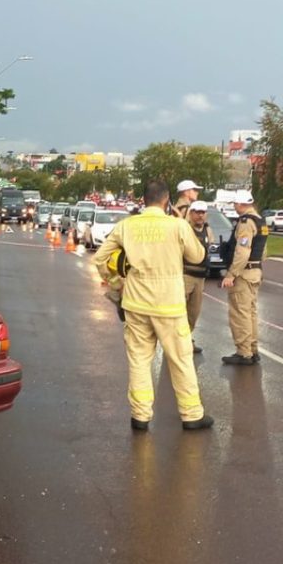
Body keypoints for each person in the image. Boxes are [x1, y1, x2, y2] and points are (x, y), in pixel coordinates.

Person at [94, 180, 213, 431]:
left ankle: (140, 416)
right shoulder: (178, 225)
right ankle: (191, 415)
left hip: (136, 303)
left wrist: (117, 283)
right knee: (180, 360)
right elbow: (198, 256)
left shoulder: (126, 226)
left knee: (138, 360)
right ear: (166, 200)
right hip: (169, 304)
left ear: (144, 200)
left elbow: (100, 258)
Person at [220, 192, 268, 365]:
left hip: (244, 274)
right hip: (255, 272)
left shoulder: (246, 223)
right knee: (251, 313)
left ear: (240, 204)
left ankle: (243, 352)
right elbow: (263, 251)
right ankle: (253, 349)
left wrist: (231, 274)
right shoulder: (260, 221)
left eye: (235, 203)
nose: (234, 206)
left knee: (240, 313)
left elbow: (242, 251)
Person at [182, 200, 214, 353]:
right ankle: (179, 343)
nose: (200, 215)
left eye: (203, 212)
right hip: (185, 275)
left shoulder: (208, 230)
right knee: (180, 311)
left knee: (193, 313)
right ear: (191, 213)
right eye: (197, 212)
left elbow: (210, 248)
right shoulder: (184, 228)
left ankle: (187, 338)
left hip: (200, 277)